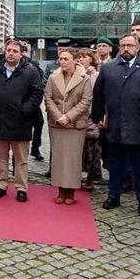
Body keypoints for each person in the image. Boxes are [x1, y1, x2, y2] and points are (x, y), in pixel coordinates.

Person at [91, 33, 140, 216]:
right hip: (114, 127)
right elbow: (98, 95)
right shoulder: (108, 68)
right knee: (115, 166)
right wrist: (97, 117)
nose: (126, 49)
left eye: (130, 45)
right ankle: (113, 196)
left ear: (137, 47)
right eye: (123, 45)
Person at [0, 39, 44, 203]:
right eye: (8, 50)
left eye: (15, 51)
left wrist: (25, 110)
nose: (11, 53)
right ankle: (1, 185)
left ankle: (21, 188)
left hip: (21, 122)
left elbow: (37, 93)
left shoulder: (30, 72)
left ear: (21, 54)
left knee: (21, 159)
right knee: (0, 157)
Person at [45, 48, 93, 205]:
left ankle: (71, 190)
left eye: (66, 59)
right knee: (58, 158)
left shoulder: (84, 78)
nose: (62, 61)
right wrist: (59, 117)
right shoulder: (53, 77)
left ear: (75, 60)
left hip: (75, 125)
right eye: (60, 59)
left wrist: (69, 116)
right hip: (57, 124)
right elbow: (48, 98)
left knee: (73, 159)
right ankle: (60, 189)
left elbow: (86, 101)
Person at [76, 48, 102, 190]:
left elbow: (98, 97)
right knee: (78, 151)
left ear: (91, 59)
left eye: (84, 57)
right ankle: (76, 177)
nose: (81, 59)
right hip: (76, 117)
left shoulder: (96, 75)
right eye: (79, 57)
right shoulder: (74, 74)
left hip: (92, 117)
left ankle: (91, 178)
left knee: (92, 151)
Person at [20, 42, 46, 161]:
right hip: (19, 103)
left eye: (25, 51)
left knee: (39, 124)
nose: (24, 54)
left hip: (33, 102)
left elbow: (40, 81)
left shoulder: (33, 64)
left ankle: (35, 148)